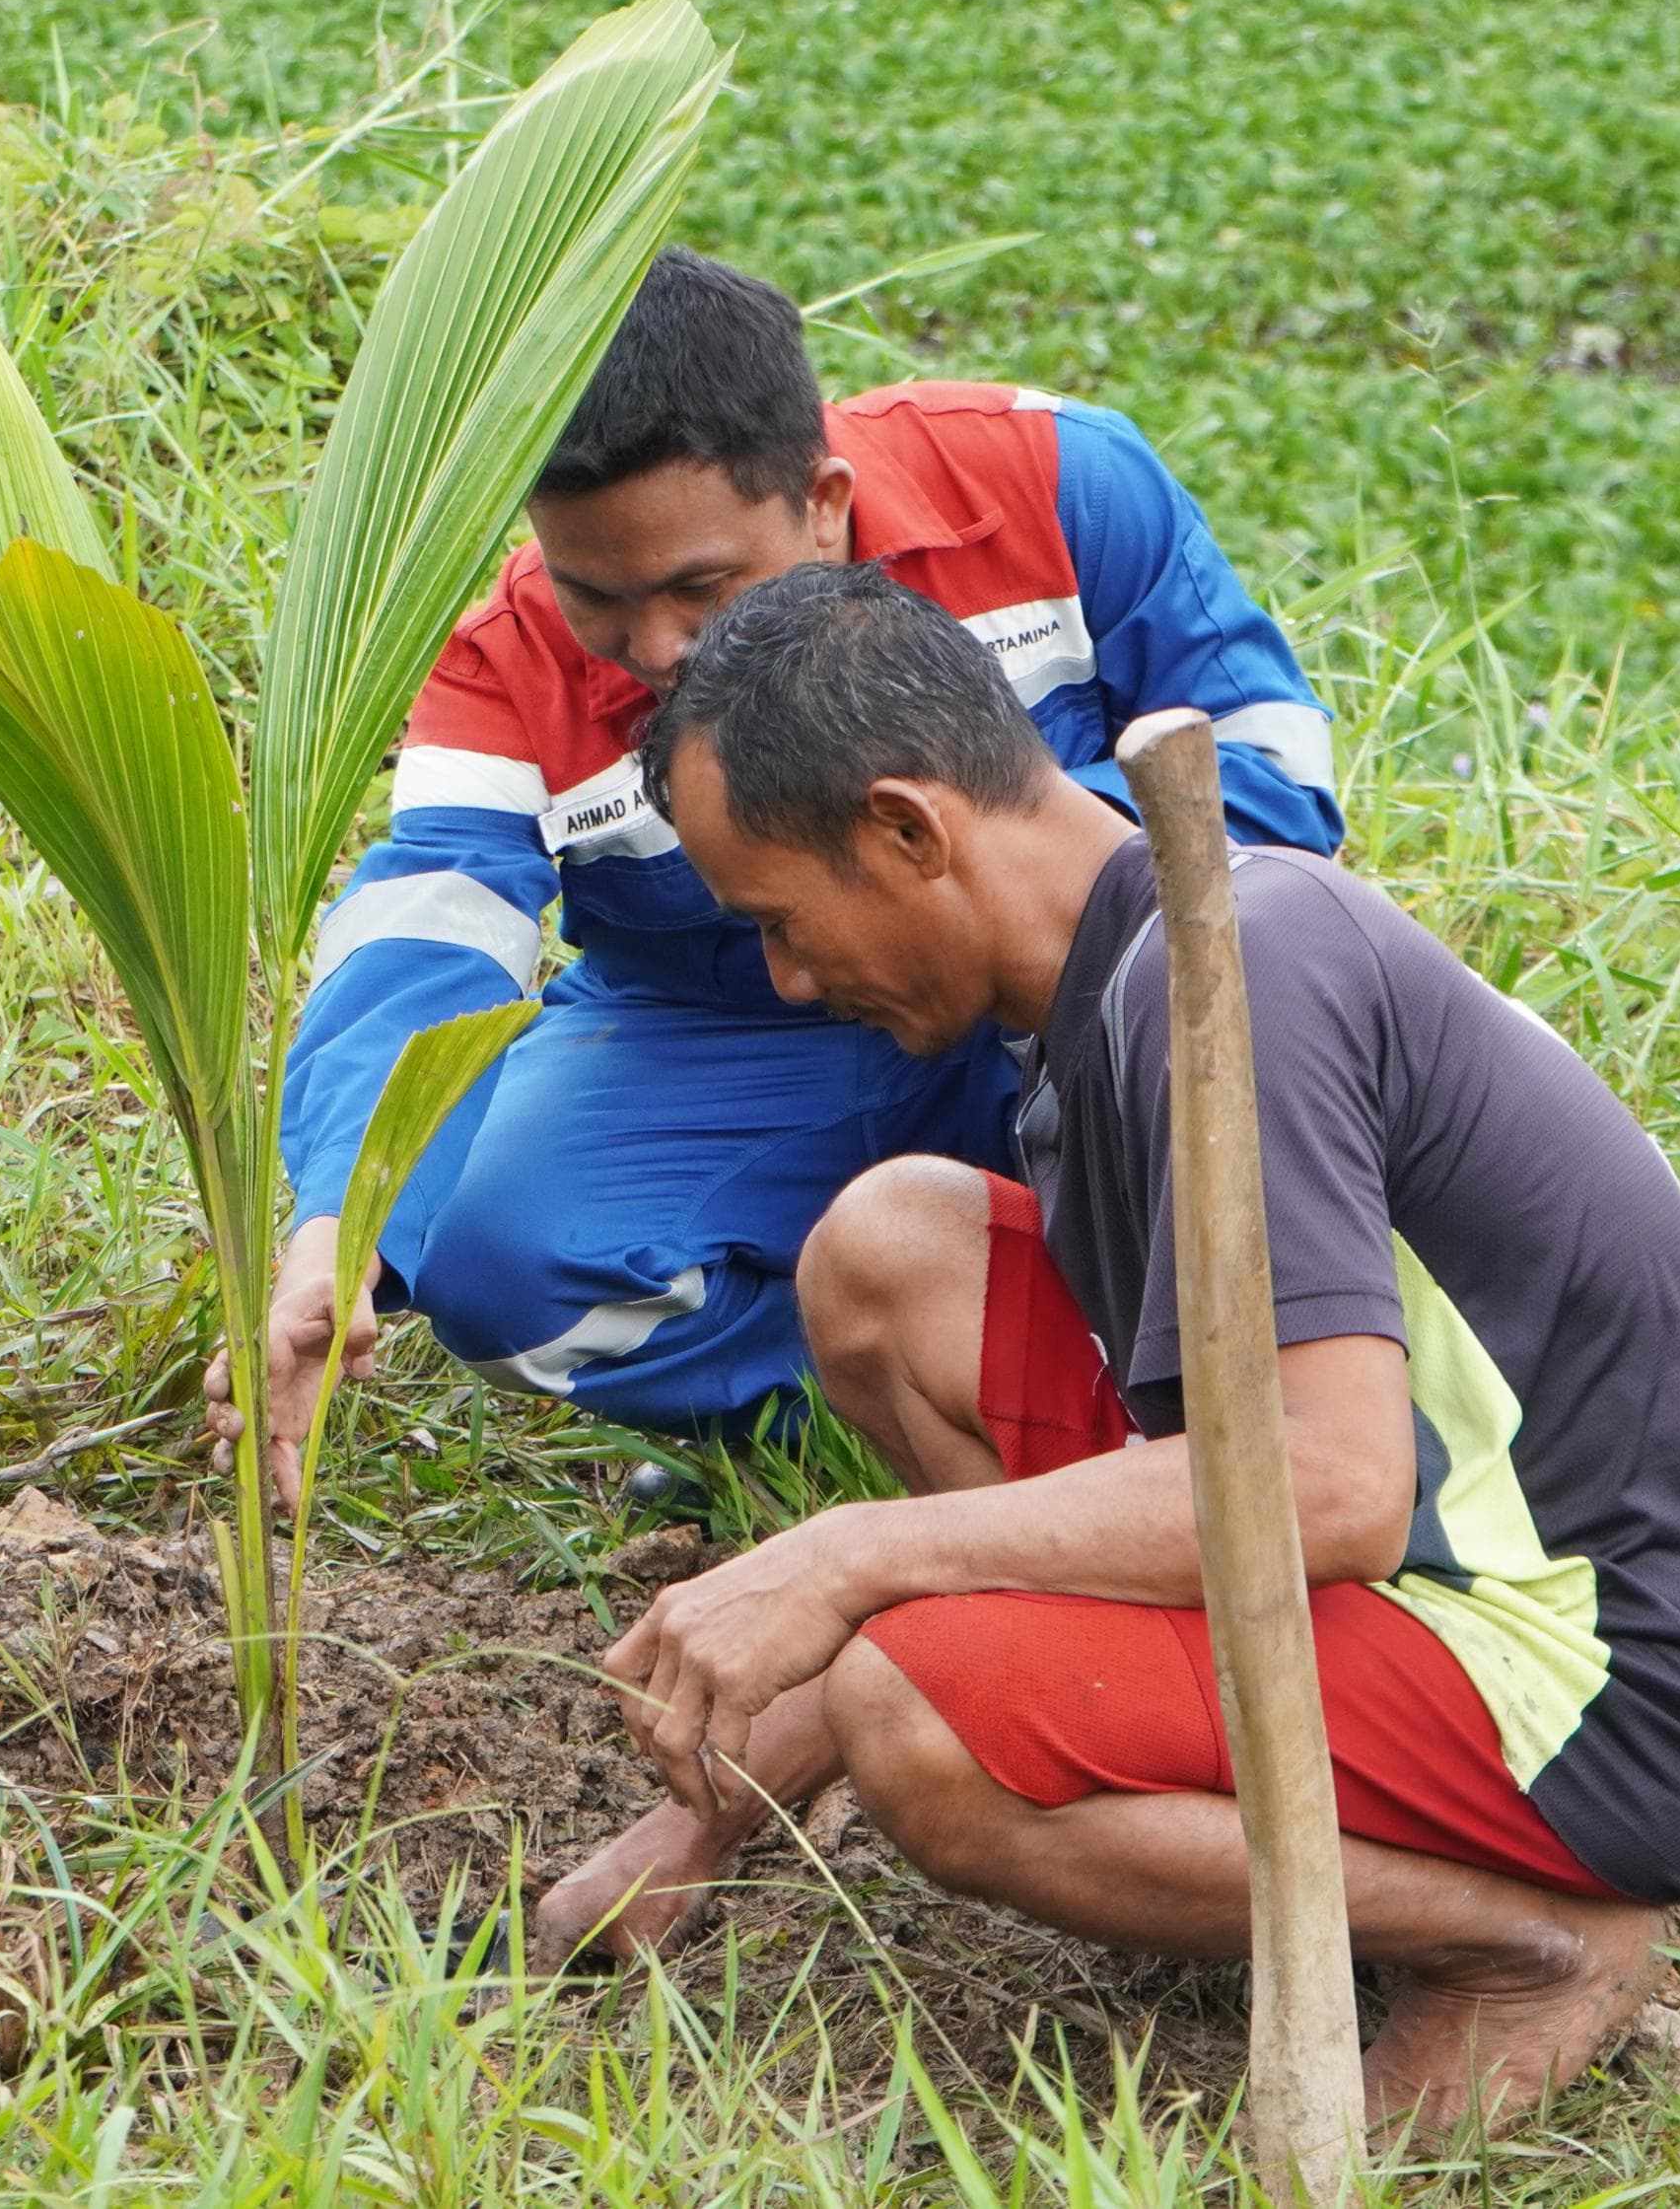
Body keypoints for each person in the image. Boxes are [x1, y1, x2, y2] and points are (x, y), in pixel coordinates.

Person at [533, 562, 1680, 2128]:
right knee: (893, 1253)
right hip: (1389, 1574)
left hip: (1572, 1688)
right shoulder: (1106, 995)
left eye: (781, 920)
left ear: (911, 830)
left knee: (916, 1708)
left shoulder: (1239, 977)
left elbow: (1327, 1485)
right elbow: (1194, 1447)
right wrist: (720, 1807)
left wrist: (852, 1559)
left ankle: (1531, 1944)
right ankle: (1209, 1807)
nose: (787, 977)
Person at [216, 249, 1345, 1495]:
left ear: (822, 499)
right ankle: (874, 1410)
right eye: (595, 593)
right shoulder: (504, 658)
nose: (655, 649)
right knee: (505, 1265)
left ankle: (1109, 1409)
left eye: (702, 586)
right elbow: (425, 922)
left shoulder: (1052, 480)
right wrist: (341, 1215)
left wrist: (1026, 919)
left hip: (1058, 1003)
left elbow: (1262, 777)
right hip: (736, 1028)